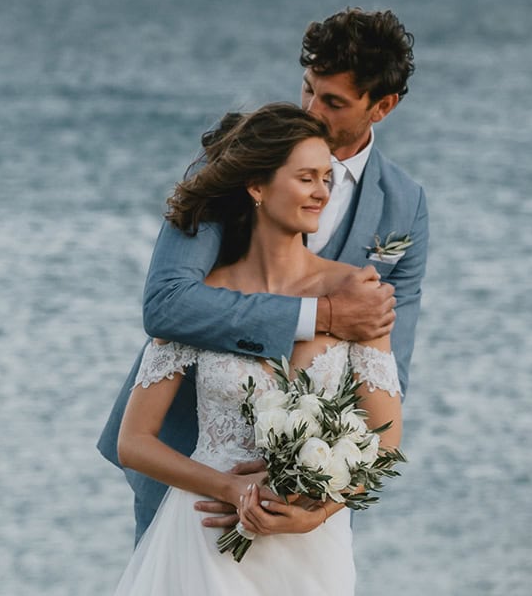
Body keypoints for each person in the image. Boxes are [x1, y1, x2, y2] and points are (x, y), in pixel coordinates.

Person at [97, 7, 428, 542]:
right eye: (308, 90)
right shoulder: (235, 165)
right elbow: (166, 304)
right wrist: (319, 315)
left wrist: (319, 502)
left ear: (382, 107)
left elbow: (392, 379)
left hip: (307, 497)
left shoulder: (404, 207)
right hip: (190, 462)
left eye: (334, 101)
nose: (312, 110)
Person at [112, 103, 403, 595]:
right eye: (306, 177)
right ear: (257, 187)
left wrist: (318, 512)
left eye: (327, 179)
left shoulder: (355, 294)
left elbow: (386, 441)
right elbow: (133, 442)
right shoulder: (203, 299)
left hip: (308, 550)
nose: (322, 192)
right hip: (205, 534)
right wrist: (227, 486)